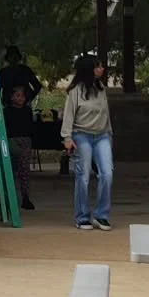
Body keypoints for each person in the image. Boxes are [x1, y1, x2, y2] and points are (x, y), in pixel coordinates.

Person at [61, 52, 113, 231]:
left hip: (102, 135)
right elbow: (68, 115)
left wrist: (109, 134)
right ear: (89, 69)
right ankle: (82, 216)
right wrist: (67, 138)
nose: (101, 69)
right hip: (81, 135)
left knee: (107, 173)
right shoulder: (75, 92)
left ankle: (101, 215)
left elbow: (106, 114)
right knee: (83, 176)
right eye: (98, 66)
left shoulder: (101, 89)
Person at [3, 83, 37, 210]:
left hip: (25, 141)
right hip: (12, 140)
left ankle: (25, 197)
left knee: (24, 170)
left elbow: (30, 127)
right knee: (10, 169)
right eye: (17, 96)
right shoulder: (7, 111)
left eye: (22, 96)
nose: (20, 99)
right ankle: (10, 197)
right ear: (11, 97)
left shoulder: (27, 111)